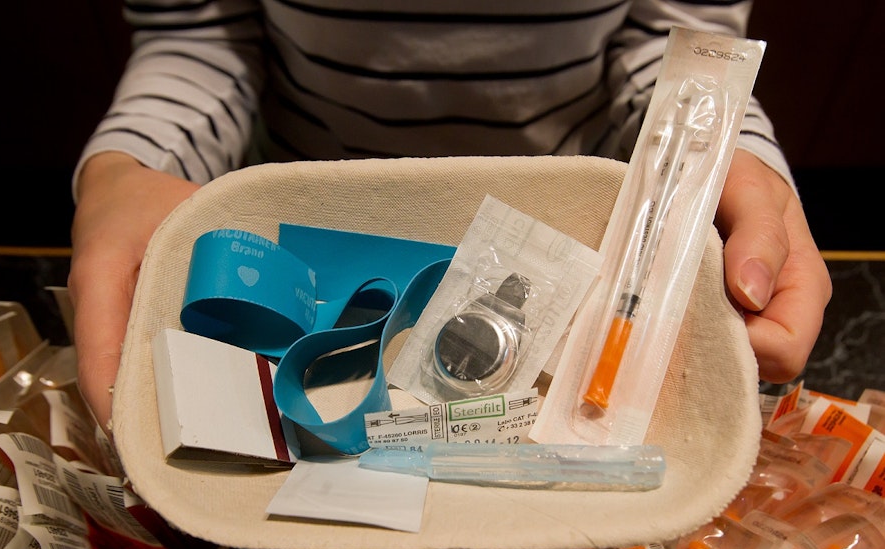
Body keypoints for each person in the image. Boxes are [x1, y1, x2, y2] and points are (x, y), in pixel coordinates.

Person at [68, 0, 832, 431]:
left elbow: (679, 43)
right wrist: (129, 169)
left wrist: (719, 160)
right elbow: (200, 31)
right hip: (310, 230)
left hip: (578, 239)